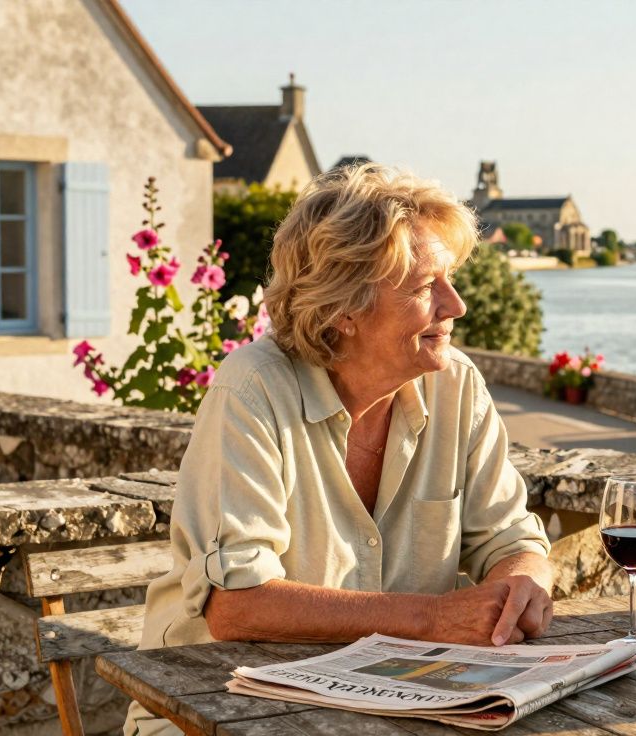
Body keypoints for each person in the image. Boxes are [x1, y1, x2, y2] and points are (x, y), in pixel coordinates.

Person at [125, 164, 553, 735]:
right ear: (343, 307)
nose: (456, 306)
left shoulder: (457, 386)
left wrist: (524, 579)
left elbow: (510, 537)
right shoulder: (253, 388)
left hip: (387, 709)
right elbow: (237, 605)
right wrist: (432, 619)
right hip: (211, 710)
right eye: (427, 287)